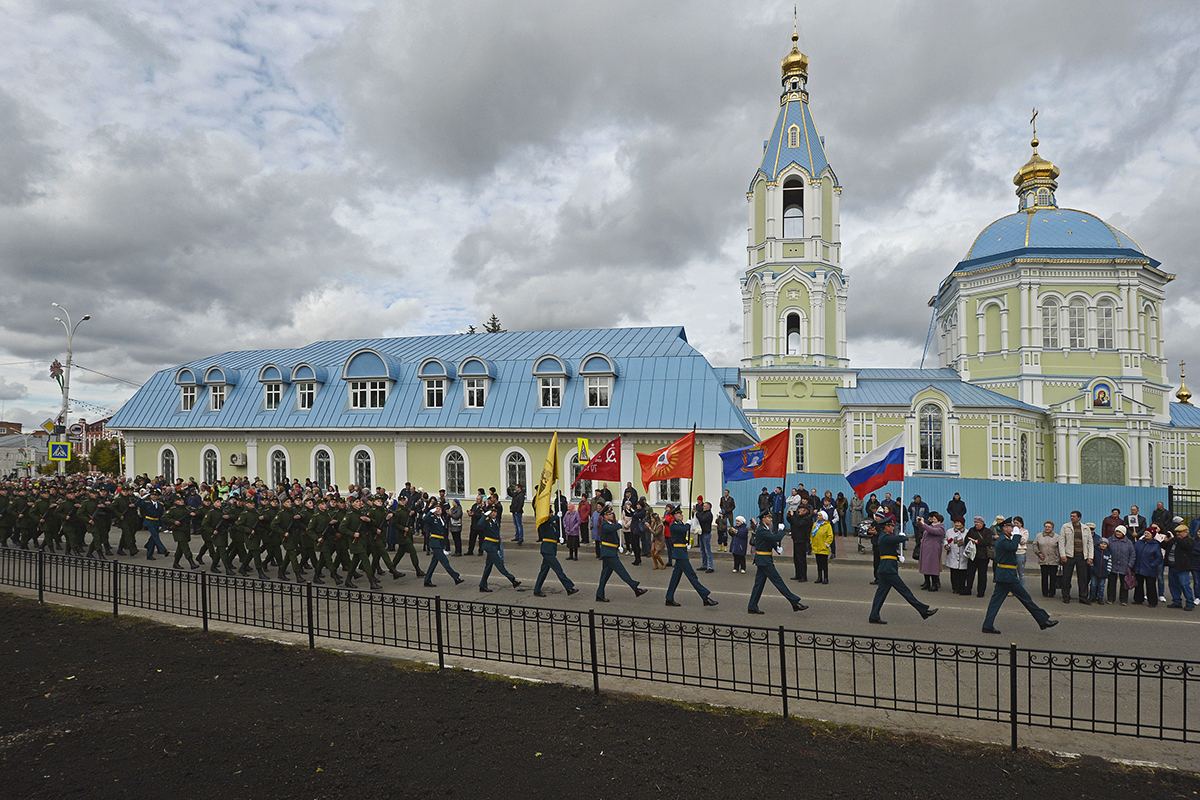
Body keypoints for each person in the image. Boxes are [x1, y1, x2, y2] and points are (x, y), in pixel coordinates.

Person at [981, 518, 1057, 634]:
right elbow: (1012, 547)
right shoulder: (1002, 539)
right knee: (1025, 598)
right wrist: (1016, 536)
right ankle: (1043, 620)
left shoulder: (1005, 538)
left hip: (1004, 575)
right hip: (1007, 575)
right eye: (1010, 527)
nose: (1013, 528)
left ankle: (987, 625)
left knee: (995, 602)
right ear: (1005, 528)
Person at [868, 512, 936, 625]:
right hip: (888, 570)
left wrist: (897, 556)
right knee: (905, 591)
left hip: (886, 569)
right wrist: (903, 536)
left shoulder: (885, 537)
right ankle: (923, 610)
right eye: (891, 526)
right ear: (886, 527)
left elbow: (890, 550)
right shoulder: (885, 537)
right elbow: (899, 540)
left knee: (880, 595)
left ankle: (874, 616)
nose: (893, 527)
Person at [747, 512, 808, 615]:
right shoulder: (761, 530)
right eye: (768, 517)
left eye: (771, 517)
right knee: (778, 581)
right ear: (763, 519)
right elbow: (776, 538)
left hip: (764, 560)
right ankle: (794, 602)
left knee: (758, 585)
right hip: (764, 560)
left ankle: (752, 606)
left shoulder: (765, 528)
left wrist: (776, 547)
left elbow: (770, 540)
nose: (771, 519)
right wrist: (781, 530)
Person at [664, 506, 718, 608]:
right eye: (679, 514)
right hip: (680, 554)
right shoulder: (674, 525)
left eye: (681, 513)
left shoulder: (679, 523)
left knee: (675, 577)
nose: (681, 515)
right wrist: (689, 524)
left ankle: (669, 598)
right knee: (692, 575)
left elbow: (681, 535)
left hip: (682, 551)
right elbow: (683, 530)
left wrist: (686, 543)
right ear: (674, 515)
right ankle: (705, 597)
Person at [595, 508, 647, 602]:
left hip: (611, 551)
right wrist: (619, 524)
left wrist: (618, 546)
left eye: (612, 513)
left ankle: (599, 595)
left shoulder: (610, 524)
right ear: (605, 516)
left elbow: (613, 535)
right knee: (621, 571)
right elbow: (612, 529)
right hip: (609, 553)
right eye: (610, 514)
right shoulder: (604, 525)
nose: (612, 515)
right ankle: (635, 587)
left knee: (605, 576)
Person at [532, 514, 577, 598]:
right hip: (547, 550)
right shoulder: (544, 523)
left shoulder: (553, 524)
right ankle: (569, 587)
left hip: (551, 550)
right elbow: (547, 520)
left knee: (543, 572)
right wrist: (557, 516)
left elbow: (556, 533)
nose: (551, 514)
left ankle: (537, 590)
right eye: (550, 513)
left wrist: (561, 538)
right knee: (558, 569)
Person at [479, 508, 520, 592]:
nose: (494, 513)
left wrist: (498, 548)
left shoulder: (496, 521)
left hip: (494, 546)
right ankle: (513, 580)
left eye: (495, 512)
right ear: (489, 513)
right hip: (489, 546)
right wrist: (484, 515)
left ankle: (482, 585)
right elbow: (479, 524)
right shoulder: (487, 520)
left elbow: (497, 536)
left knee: (488, 567)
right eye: (492, 512)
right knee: (500, 565)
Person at [422, 505, 464, 588]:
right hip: (435, 542)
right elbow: (425, 519)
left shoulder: (442, 518)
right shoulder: (432, 518)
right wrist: (431, 511)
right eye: (436, 509)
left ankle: (427, 580)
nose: (438, 510)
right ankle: (455, 577)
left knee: (433, 563)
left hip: (440, 542)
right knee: (444, 561)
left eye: (440, 509)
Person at [1058, 510, 1093, 604]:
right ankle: (1066, 596)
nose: (1072, 518)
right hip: (1069, 556)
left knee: (1083, 578)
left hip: (1082, 556)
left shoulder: (1085, 528)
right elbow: (1061, 542)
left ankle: (1083, 597)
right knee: (1066, 577)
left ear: (1079, 518)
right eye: (1071, 516)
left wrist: (1090, 557)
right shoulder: (1065, 527)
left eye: (1074, 516)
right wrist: (1063, 555)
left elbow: (1090, 543)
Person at [1163, 524, 1195, 610]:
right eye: (1177, 532)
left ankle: (1190, 603)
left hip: (1182, 567)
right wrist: (1166, 541)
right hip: (1172, 566)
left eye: (1180, 532)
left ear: (1186, 532)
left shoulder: (1189, 541)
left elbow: (1186, 546)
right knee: (1173, 585)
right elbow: (1164, 546)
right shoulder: (1173, 541)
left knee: (1184, 585)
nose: (1178, 534)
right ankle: (1177, 601)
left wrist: (1175, 538)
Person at [913, 512, 946, 591]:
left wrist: (924, 524)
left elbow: (931, 531)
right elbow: (923, 529)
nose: (933, 520)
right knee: (926, 565)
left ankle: (934, 584)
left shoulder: (940, 528)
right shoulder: (930, 526)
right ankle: (927, 582)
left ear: (939, 520)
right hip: (926, 549)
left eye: (934, 519)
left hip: (933, 550)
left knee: (933, 566)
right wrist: (919, 523)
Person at [1132, 528, 1163, 607]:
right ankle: (1138, 599)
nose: (1146, 535)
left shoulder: (1156, 545)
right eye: (1145, 533)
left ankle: (1152, 602)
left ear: (1152, 535)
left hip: (1149, 569)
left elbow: (1159, 557)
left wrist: (1152, 565)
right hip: (1139, 567)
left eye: (1148, 533)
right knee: (1138, 585)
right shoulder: (1139, 543)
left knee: (1150, 586)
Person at [1106, 526, 1135, 605]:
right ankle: (1111, 598)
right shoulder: (1110, 540)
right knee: (1111, 583)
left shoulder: (1128, 542)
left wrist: (1130, 565)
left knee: (1124, 584)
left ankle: (1123, 600)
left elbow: (1132, 555)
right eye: (1117, 531)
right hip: (1112, 565)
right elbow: (1106, 551)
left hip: (1124, 566)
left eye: (1120, 532)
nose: (1118, 533)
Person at [1032, 521, 1062, 598]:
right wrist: (1038, 553)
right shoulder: (1039, 536)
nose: (1047, 528)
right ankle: (1045, 592)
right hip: (1043, 559)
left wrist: (1059, 558)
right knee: (1044, 576)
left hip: (1053, 560)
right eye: (1046, 527)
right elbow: (1035, 545)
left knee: (1053, 577)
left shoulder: (1057, 537)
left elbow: (1060, 548)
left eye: (1049, 527)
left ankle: (1052, 592)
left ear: (1052, 528)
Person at [964, 516, 992, 597]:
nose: (976, 524)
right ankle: (968, 589)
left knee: (982, 575)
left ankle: (981, 591)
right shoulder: (972, 530)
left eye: (978, 522)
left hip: (983, 556)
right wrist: (969, 541)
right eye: (975, 522)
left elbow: (988, 541)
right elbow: (966, 539)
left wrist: (976, 541)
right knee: (970, 573)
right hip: (972, 556)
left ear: (982, 523)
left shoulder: (987, 531)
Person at [944, 519, 970, 595]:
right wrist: (946, 545)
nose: (957, 524)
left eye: (959, 523)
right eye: (956, 522)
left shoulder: (967, 532)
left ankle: (962, 587)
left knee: (963, 573)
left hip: (963, 556)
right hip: (953, 555)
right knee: (954, 573)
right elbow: (946, 539)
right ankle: (955, 588)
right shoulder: (949, 531)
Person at [810, 510, 833, 584]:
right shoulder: (815, 524)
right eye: (818, 515)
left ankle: (826, 578)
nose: (818, 517)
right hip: (816, 547)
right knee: (818, 563)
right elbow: (812, 533)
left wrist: (826, 544)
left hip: (823, 547)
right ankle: (819, 577)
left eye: (820, 516)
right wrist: (811, 541)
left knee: (824, 564)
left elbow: (830, 536)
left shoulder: (827, 525)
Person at [1089, 537, 1113, 605]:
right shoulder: (1095, 551)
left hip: (1104, 573)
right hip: (1095, 571)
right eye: (1102, 543)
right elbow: (1092, 559)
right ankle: (1092, 596)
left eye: (1105, 544)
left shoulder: (1108, 553)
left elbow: (1109, 562)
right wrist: (1092, 567)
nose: (1103, 545)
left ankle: (1100, 597)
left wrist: (1108, 570)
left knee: (1101, 586)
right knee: (1093, 585)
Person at [696, 501, 715, 573]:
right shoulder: (703, 513)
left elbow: (702, 519)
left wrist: (697, 514)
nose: (703, 507)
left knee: (708, 550)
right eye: (703, 506)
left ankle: (711, 566)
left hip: (706, 533)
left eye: (705, 506)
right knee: (702, 550)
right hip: (701, 533)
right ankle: (704, 565)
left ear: (708, 507)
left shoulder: (709, 514)